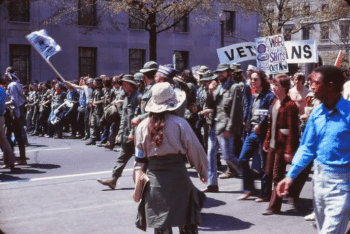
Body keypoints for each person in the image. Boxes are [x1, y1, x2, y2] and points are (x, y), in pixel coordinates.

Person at [277, 65, 350, 234]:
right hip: (319, 182)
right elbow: (307, 148)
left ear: (330, 85)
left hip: (342, 184)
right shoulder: (317, 114)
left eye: (316, 83)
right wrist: (290, 176)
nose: (311, 87)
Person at [134, 82, 208, 234]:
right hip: (179, 180)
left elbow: (139, 160)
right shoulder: (181, 124)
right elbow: (195, 150)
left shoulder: (142, 126)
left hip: (154, 184)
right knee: (187, 223)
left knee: (161, 227)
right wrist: (202, 172)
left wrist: (137, 183)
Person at [261, 74, 299, 215]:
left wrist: (289, 150)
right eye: (274, 84)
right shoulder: (275, 102)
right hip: (272, 143)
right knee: (268, 172)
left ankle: (273, 207)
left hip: (282, 146)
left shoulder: (290, 105)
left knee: (277, 176)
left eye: (277, 85)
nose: (274, 87)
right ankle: (292, 190)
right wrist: (266, 141)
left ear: (284, 87)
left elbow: (292, 130)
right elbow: (271, 125)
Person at [97, 75, 141, 189]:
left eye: (126, 84)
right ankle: (113, 179)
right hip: (127, 134)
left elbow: (137, 117)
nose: (124, 86)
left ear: (132, 85)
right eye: (123, 84)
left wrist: (133, 133)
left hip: (137, 134)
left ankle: (149, 180)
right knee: (122, 156)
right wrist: (120, 133)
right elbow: (124, 117)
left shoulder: (138, 97)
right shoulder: (126, 98)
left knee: (144, 159)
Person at [204, 63, 243, 192]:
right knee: (210, 154)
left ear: (229, 73)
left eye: (223, 72)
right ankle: (212, 184)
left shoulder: (234, 87)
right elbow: (210, 104)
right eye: (219, 72)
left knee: (227, 156)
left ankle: (247, 173)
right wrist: (210, 91)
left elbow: (235, 110)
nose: (220, 75)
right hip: (214, 126)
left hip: (225, 127)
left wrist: (229, 128)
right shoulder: (217, 88)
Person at [238, 70, 275, 201]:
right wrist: (246, 121)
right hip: (251, 132)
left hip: (263, 133)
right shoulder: (254, 95)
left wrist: (261, 124)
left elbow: (270, 114)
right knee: (242, 159)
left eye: (255, 79)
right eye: (251, 79)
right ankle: (249, 188)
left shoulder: (269, 96)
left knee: (264, 164)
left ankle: (265, 193)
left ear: (262, 81)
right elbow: (249, 110)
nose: (252, 82)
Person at [0, 85, 15, 169]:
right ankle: (9, 161)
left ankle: (9, 161)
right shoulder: (2, 89)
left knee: (3, 140)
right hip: (1, 116)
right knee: (3, 140)